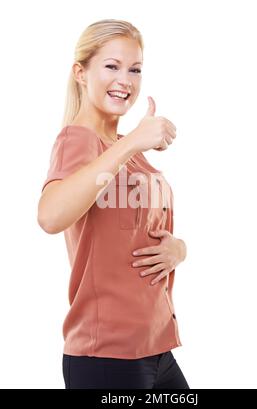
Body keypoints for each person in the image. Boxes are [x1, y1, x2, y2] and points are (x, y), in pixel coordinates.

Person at [37, 18, 189, 389]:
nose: (126, 80)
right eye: (112, 66)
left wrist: (178, 250)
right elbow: (51, 216)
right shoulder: (79, 140)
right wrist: (132, 141)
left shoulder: (127, 149)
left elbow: (141, 234)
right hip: (105, 356)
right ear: (81, 73)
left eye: (135, 69)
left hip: (156, 349)